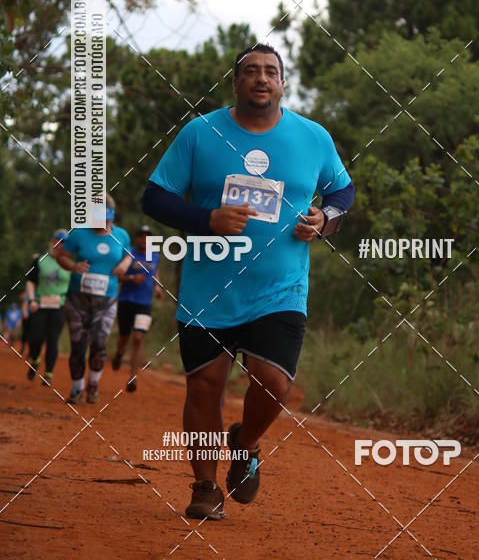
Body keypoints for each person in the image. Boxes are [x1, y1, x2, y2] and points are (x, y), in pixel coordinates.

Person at [142, 43, 354, 521]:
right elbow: (154, 197)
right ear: (235, 83)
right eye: (251, 71)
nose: (262, 78)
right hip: (207, 287)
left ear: (282, 83)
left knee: (275, 383)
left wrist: (326, 218)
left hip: (279, 287)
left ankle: (246, 442)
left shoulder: (313, 137)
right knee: (205, 386)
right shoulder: (200, 133)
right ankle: (203, 487)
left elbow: (342, 190)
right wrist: (206, 218)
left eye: (271, 72)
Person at [52, 194, 131, 404]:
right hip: (78, 299)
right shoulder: (78, 234)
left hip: (106, 300)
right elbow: (62, 257)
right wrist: (74, 266)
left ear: (111, 215)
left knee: (98, 341)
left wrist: (124, 266)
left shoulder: (121, 236)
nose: (101, 223)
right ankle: (77, 388)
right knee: (78, 344)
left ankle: (93, 385)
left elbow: (129, 255)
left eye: (105, 218)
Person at [111, 224, 162, 392]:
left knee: (138, 338)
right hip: (126, 301)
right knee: (124, 337)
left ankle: (133, 377)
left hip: (144, 304)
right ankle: (119, 354)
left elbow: (156, 274)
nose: (144, 239)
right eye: (141, 236)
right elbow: (117, 277)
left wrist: (157, 287)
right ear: (136, 238)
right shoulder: (128, 254)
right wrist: (132, 278)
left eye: (148, 236)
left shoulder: (154, 256)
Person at [25, 233, 72, 386]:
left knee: (53, 339)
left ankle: (48, 374)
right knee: (35, 338)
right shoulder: (40, 260)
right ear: (53, 241)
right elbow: (30, 282)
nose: (61, 245)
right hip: (40, 304)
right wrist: (31, 300)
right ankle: (36, 358)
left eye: (65, 243)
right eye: (59, 241)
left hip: (60, 306)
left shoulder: (71, 263)